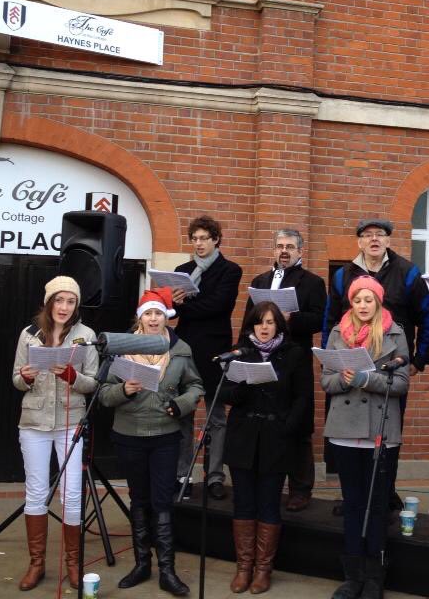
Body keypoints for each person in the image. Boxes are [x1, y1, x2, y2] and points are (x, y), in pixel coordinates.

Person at [322, 218, 429, 511]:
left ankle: (384, 494)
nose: (374, 239)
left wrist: (419, 361)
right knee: (346, 435)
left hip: (389, 365)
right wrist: (329, 359)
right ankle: (350, 496)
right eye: (367, 235)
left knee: (387, 432)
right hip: (347, 367)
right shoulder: (342, 274)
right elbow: (330, 318)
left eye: (380, 235)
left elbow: (426, 317)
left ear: (388, 240)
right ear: (359, 242)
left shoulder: (407, 271)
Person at [98, 288, 203, 596]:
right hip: (129, 435)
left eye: (159, 313)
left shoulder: (180, 349)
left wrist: (182, 404)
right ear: (140, 318)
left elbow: (196, 386)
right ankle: (142, 563)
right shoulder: (120, 348)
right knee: (139, 500)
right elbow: (103, 395)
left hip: (165, 435)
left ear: (166, 316)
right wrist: (124, 390)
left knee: (163, 502)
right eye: (148, 313)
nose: (154, 318)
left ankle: (167, 571)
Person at [322, 276, 410, 599]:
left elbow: (400, 384)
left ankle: (375, 578)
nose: (362, 306)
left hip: (379, 430)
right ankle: (352, 576)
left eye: (368, 300)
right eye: (357, 300)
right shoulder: (336, 333)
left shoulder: (396, 333)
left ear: (378, 303)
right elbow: (326, 382)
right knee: (353, 504)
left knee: (375, 506)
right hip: (345, 430)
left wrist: (366, 379)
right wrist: (346, 381)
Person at [11, 276, 99, 591]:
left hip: (69, 421)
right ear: (49, 303)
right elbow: (16, 379)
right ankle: (36, 564)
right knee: (35, 492)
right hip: (34, 421)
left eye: (70, 301)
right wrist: (27, 376)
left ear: (76, 305)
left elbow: (93, 383)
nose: (64, 307)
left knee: (72, 493)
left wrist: (74, 376)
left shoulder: (86, 336)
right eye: (59, 301)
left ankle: (73, 564)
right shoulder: (29, 334)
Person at [220, 301, 309, 594]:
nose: (265, 327)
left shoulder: (293, 354)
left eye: (270, 322)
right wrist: (244, 383)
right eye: (259, 322)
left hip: (276, 437)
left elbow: (302, 398)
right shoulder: (240, 353)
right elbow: (225, 393)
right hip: (243, 435)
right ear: (251, 326)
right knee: (243, 501)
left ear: (278, 325)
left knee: (269, 502)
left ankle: (262, 570)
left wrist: (287, 428)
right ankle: (243, 567)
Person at [246, 228, 326, 512]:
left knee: (298, 424)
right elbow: (248, 321)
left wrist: (293, 319)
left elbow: (319, 320)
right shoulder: (260, 281)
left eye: (290, 247)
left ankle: (300, 489)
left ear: (300, 251)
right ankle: (268, 483)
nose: (284, 251)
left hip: (296, 360)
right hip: (263, 359)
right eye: (280, 246)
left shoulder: (313, 282)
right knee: (265, 421)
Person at [172, 215, 243, 500]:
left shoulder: (230, 270)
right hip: (184, 349)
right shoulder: (182, 270)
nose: (199, 243)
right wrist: (172, 302)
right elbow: (174, 311)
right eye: (195, 239)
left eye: (204, 238)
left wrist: (185, 301)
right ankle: (182, 475)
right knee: (183, 415)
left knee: (215, 417)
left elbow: (219, 305)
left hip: (213, 351)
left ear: (216, 240)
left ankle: (214, 476)